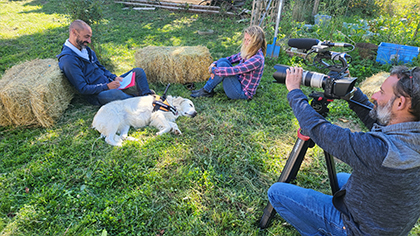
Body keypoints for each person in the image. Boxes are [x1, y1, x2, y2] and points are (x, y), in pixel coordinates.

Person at [268, 65, 420, 235]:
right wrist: (350, 92)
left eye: (381, 92)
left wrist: (294, 91)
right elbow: (378, 121)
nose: (374, 96)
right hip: (388, 223)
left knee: (276, 192)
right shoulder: (411, 132)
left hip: (358, 230)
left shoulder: (380, 151)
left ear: (400, 103)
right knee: (340, 179)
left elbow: (320, 130)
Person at [57, 20, 154, 106]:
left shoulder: (86, 49)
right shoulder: (68, 59)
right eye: (86, 37)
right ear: (74, 32)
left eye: (90, 37)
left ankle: (146, 97)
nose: (89, 41)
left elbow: (101, 68)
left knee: (138, 72)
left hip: (109, 83)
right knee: (116, 94)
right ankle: (142, 102)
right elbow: (83, 88)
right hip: (98, 94)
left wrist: (114, 77)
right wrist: (107, 87)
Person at [191, 25, 266, 99]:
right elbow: (231, 59)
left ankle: (206, 90)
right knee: (222, 62)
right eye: (245, 39)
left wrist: (213, 70)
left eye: (249, 40)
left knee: (224, 68)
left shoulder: (257, 59)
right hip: (238, 82)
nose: (246, 43)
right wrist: (215, 63)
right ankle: (206, 90)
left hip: (242, 93)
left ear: (256, 42)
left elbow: (236, 70)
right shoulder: (250, 51)